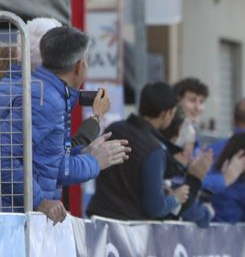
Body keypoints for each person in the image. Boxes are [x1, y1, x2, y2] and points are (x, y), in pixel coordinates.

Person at [0, 26, 130, 221]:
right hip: (14, 221)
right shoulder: (45, 99)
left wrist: (85, 153)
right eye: (87, 60)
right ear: (79, 66)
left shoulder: (48, 93)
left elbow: (47, 164)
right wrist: (40, 201)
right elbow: (4, 153)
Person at [87, 82, 193, 221]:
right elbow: (155, 207)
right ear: (167, 114)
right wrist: (175, 198)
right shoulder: (154, 150)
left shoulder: (114, 129)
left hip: (98, 217)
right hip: (128, 229)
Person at [172, 77, 209, 163]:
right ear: (178, 100)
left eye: (201, 102)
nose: (198, 107)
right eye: (192, 100)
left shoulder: (193, 131)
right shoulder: (172, 133)